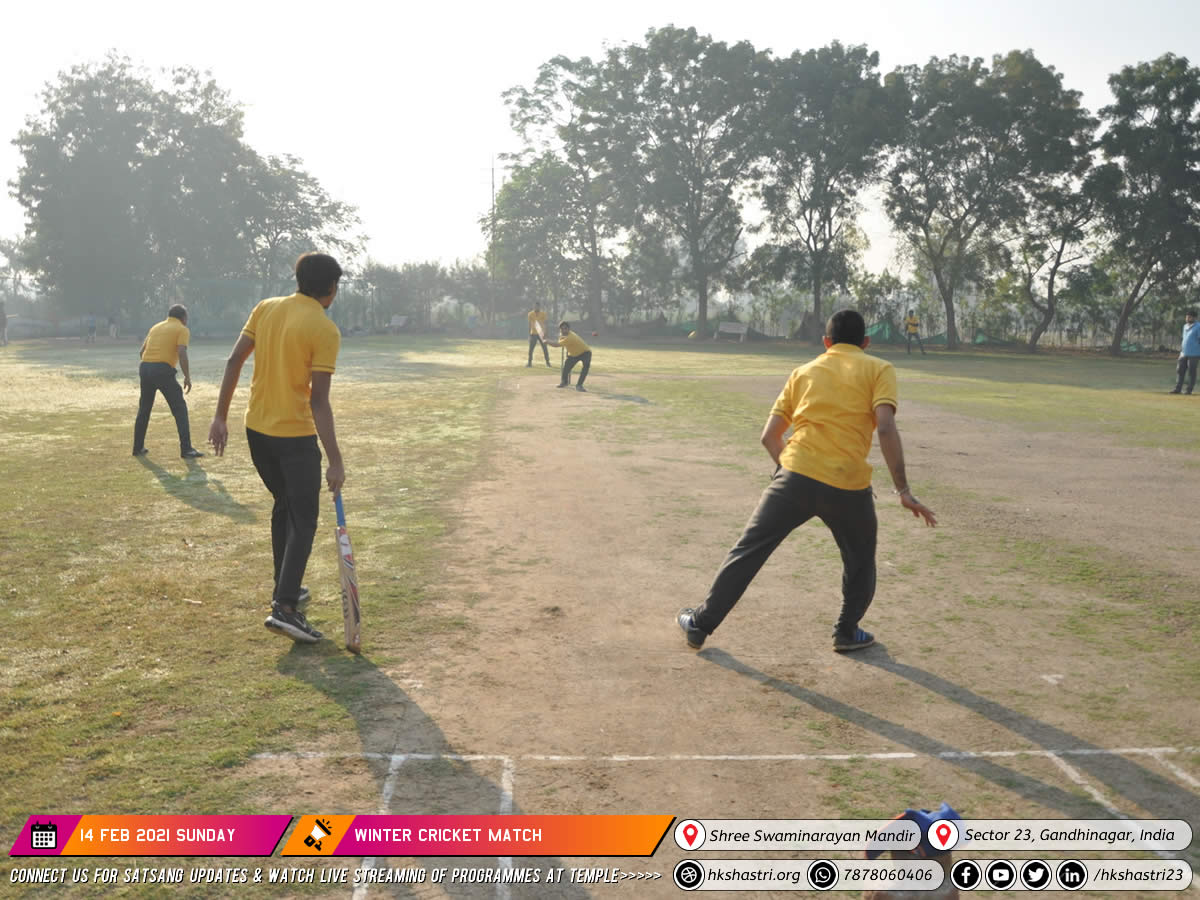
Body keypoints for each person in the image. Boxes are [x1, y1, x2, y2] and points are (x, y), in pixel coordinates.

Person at [678, 309, 937, 654]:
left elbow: (769, 437)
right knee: (860, 561)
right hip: (849, 485)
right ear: (866, 342)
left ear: (826, 342)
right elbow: (886, 427)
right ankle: (846, 631)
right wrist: (903, 489)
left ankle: (700, 623)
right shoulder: (879, 369)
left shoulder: (803, 372)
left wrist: (785, 473)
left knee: (749, 550)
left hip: (795, 475)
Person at [207, 252, 345, 643]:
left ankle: (286, 588)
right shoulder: (324, 329)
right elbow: (319, 401)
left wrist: (219, 417)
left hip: (257, 431)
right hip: (294, 436)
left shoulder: (265, 307)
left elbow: (234, 360)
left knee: (284, 507)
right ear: (331, 288)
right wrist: (335, 460)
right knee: (303, 519)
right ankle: (285, 608)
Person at [132, 304, 204, 459]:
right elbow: (182, 352)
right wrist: (187, 377)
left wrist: (150, 366)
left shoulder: (156, 327)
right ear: (183, 317)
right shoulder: (182, 329)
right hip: (162, 370)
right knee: (180, 409)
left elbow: (141, 352)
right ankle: (186, 449)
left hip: (145, 367)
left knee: (144, 409)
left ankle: (137, 447)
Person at [546, 321, 591, 392]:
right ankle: (564, 382)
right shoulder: (562, 335)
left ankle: (579, 385)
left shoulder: (570, 337)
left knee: (585, 367)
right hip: (573, 354)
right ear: (560, 329)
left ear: (569, 329)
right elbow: (559, 341)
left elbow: (556, 345)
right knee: (566, 368)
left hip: (585, 352)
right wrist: (549, 340)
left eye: (565, 328)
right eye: (562, 329)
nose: (564, 330)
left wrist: (547, 341)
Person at [1169, 310, 1200, 394]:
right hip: (1183, 353)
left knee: (1191, 372)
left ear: (1194, 318)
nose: (1187, 318)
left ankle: (1189, 390)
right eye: (1187, 317)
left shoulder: (1198, 326)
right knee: (1180, 370)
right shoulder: (1185, 326)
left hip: (1194, 353)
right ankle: (1177, 389)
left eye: (1189, 317)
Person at [527, 302, 552, 367]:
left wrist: (546, 333)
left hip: (541, 332)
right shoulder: (530, 314)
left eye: (537, 306)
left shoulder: (543, 314)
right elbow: (529, 324)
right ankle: (529, 363)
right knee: (531, 349)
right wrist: (529, 334)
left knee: (544, 348)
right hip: (533, 333)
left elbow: (546, 323)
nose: (536, 307)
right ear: (533, 306)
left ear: (539, 307)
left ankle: (548, 362)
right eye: (535, 306)